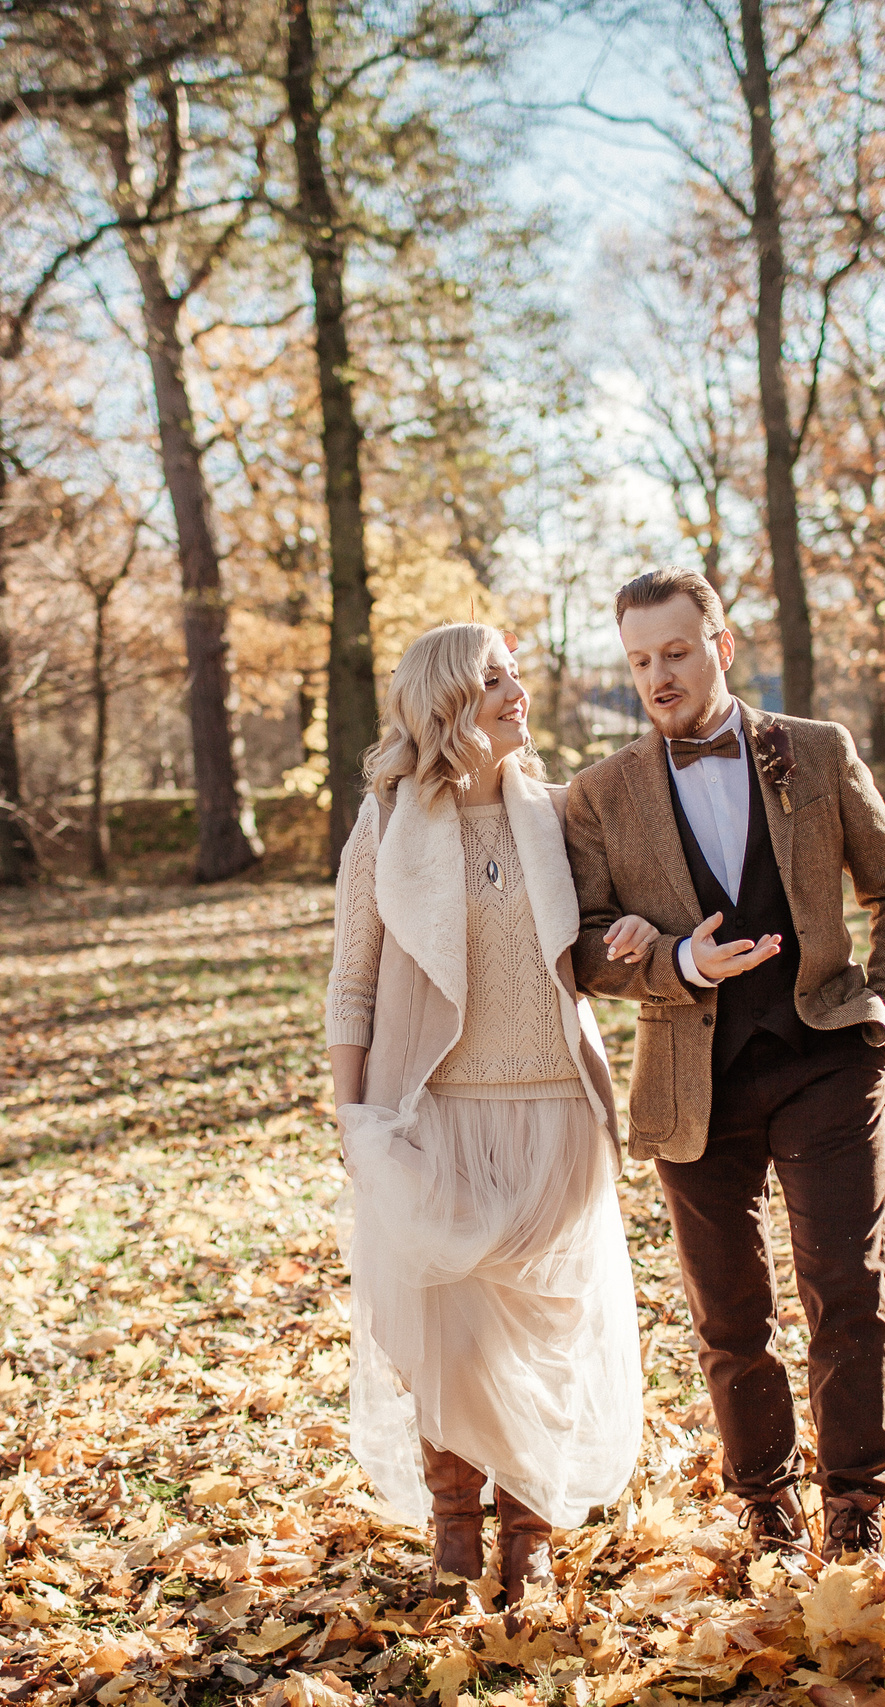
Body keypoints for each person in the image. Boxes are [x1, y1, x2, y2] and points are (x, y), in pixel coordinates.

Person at [563, 567, 885, 1559]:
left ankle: (857, 1504)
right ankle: (765, 1502)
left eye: (677, 653)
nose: (659, 677)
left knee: (846, 1287)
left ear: (722, 648)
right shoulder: (599, 794)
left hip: (825, 1054)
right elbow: (585, 948)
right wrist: (673, 960)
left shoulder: (816, 750)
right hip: (693, 1081)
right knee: (730, 1314)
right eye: (640, 660)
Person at [324, 622, 647, 1604]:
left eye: (515, 674)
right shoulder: (385, 823)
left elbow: (598, 937)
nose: (519, 692)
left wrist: (636, 938)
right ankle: (456, 1537)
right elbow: (351, 984)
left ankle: (528, 1538)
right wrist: (352, 1119)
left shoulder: (556, 814)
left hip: (553, 1110)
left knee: (546, 1332)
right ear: (450, 702)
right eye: (496, 678)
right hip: (433, 1115)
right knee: (451, 1343)